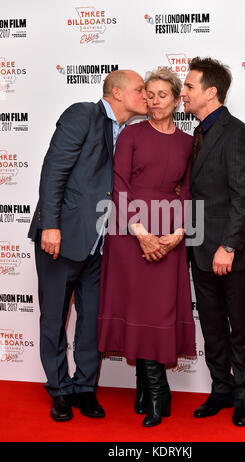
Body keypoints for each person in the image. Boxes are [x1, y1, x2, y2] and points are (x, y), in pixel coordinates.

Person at [28, 69, 148, 422]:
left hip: (101, 245)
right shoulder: (83, 114)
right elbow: (54, 172)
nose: (145, 95)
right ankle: (60, 390)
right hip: (61, 239)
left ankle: (84, 388)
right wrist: (50, 225)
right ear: (117, 93)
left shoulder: (130, 133)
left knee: (92, 320)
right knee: (54, 319)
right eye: (139, 89)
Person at [97, 67, 196, 427]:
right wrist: (140, 232)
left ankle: (148, 389)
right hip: (129, 232)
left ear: (175, 99)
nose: (154, 101)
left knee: (158, 311)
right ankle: (157, 391)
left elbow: (186, 191)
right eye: (149, 95)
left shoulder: (188, 142)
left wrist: (180, 232)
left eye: (162, 95)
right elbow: (119, 184)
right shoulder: (131, 134)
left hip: (169, 233)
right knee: (137, 306)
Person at [181, 57, 245, 427]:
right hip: (200, 246)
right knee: (213, 326)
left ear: (211, 91)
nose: (182, 93)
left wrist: (228, 246)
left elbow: (242, 197)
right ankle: (221, 388)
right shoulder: (197, 135)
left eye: (189, 87)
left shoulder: (236, 134)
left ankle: (243, 395)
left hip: (232, 250)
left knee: (241, 326)